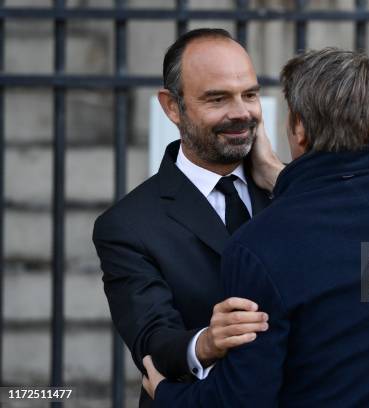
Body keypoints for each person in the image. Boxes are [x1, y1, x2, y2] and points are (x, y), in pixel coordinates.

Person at [143, 48, 369, 407]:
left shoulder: (260, 245)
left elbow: (244, 398)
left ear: (298, 127)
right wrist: (285, 179)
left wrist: (166, 393)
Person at [92, 28, 283, 407]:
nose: (241, 113)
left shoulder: (292, 191)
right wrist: (207, 342)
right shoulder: (127, 225)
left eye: (249, 94)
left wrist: (280, 176)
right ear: (172, 107)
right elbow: (152, 340)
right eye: (217, 99)